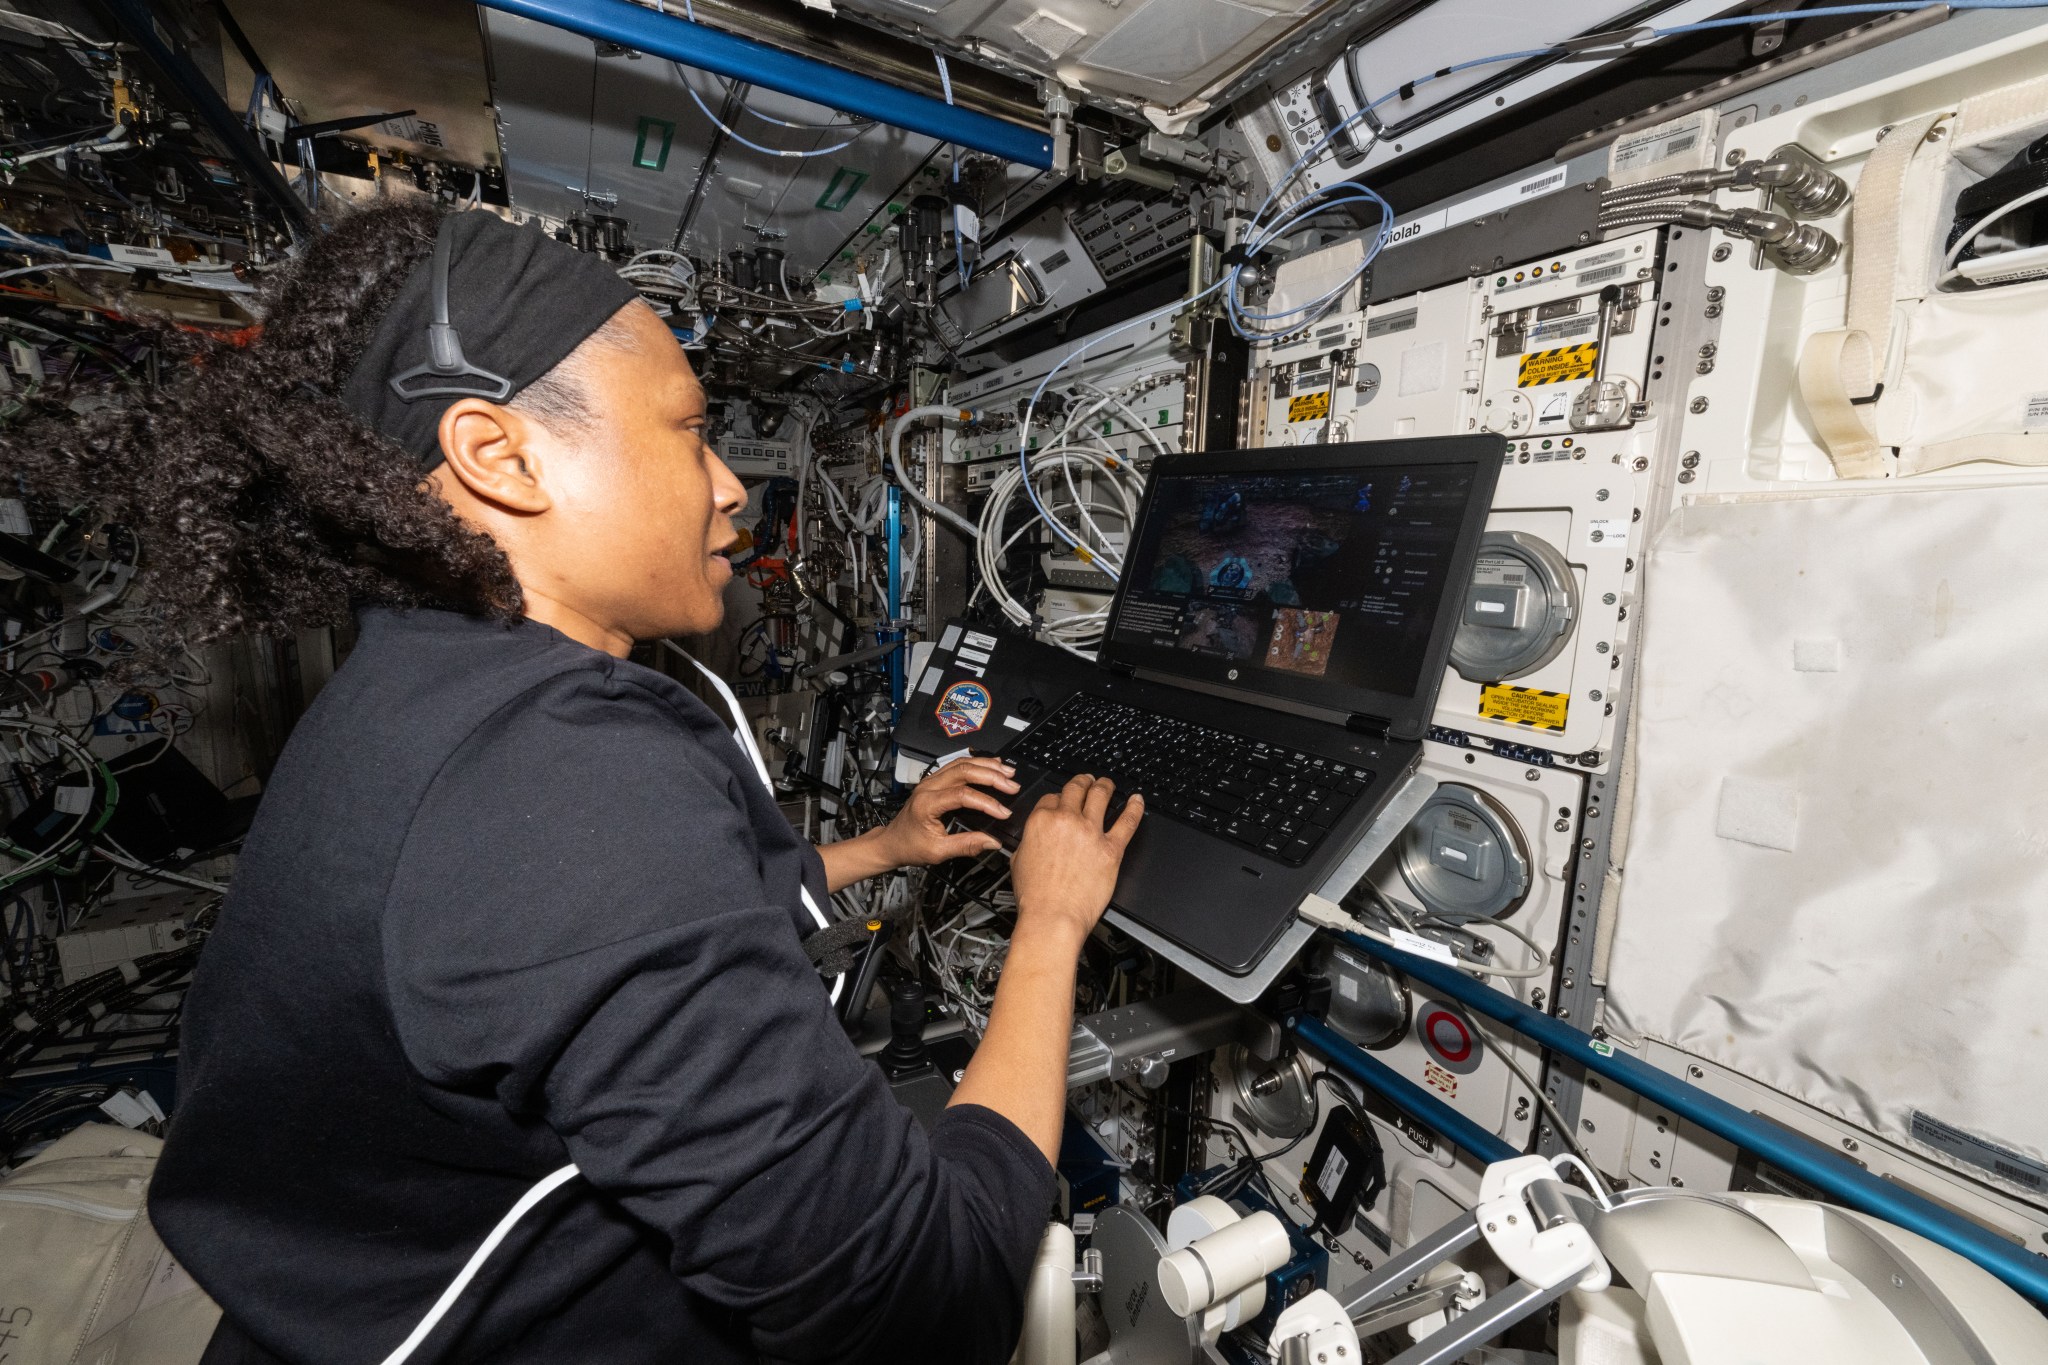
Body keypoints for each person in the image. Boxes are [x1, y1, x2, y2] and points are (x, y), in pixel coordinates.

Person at [1, 204, 1143, 1364]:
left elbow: (555, 955)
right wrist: (1050, 921)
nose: (730, 485)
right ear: (500, 456)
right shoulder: (563, 774)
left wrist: (878, 852)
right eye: (690, 432)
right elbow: (923, 1301)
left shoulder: (423, 697)